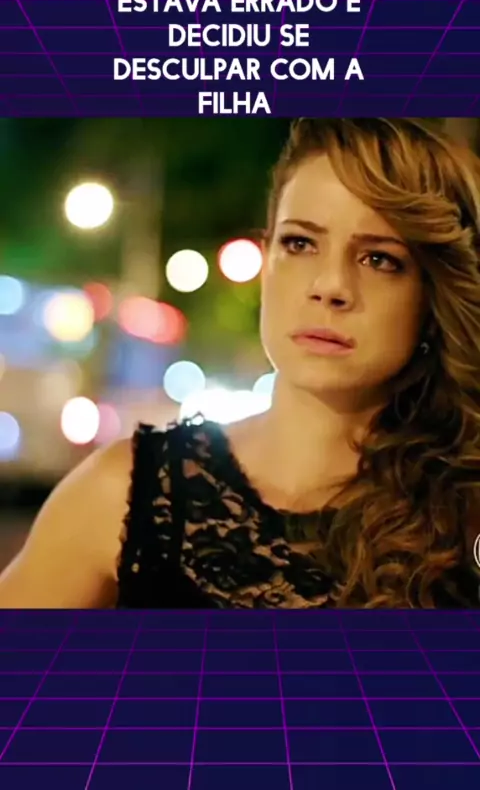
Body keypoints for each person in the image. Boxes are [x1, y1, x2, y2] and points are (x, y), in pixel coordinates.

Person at [1, 117, 480, 610]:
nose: (330, 286)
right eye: (300, 243)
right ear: (267, 258)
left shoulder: (464, 516)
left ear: (432, 296)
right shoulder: (128, 497)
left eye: (379, 259)